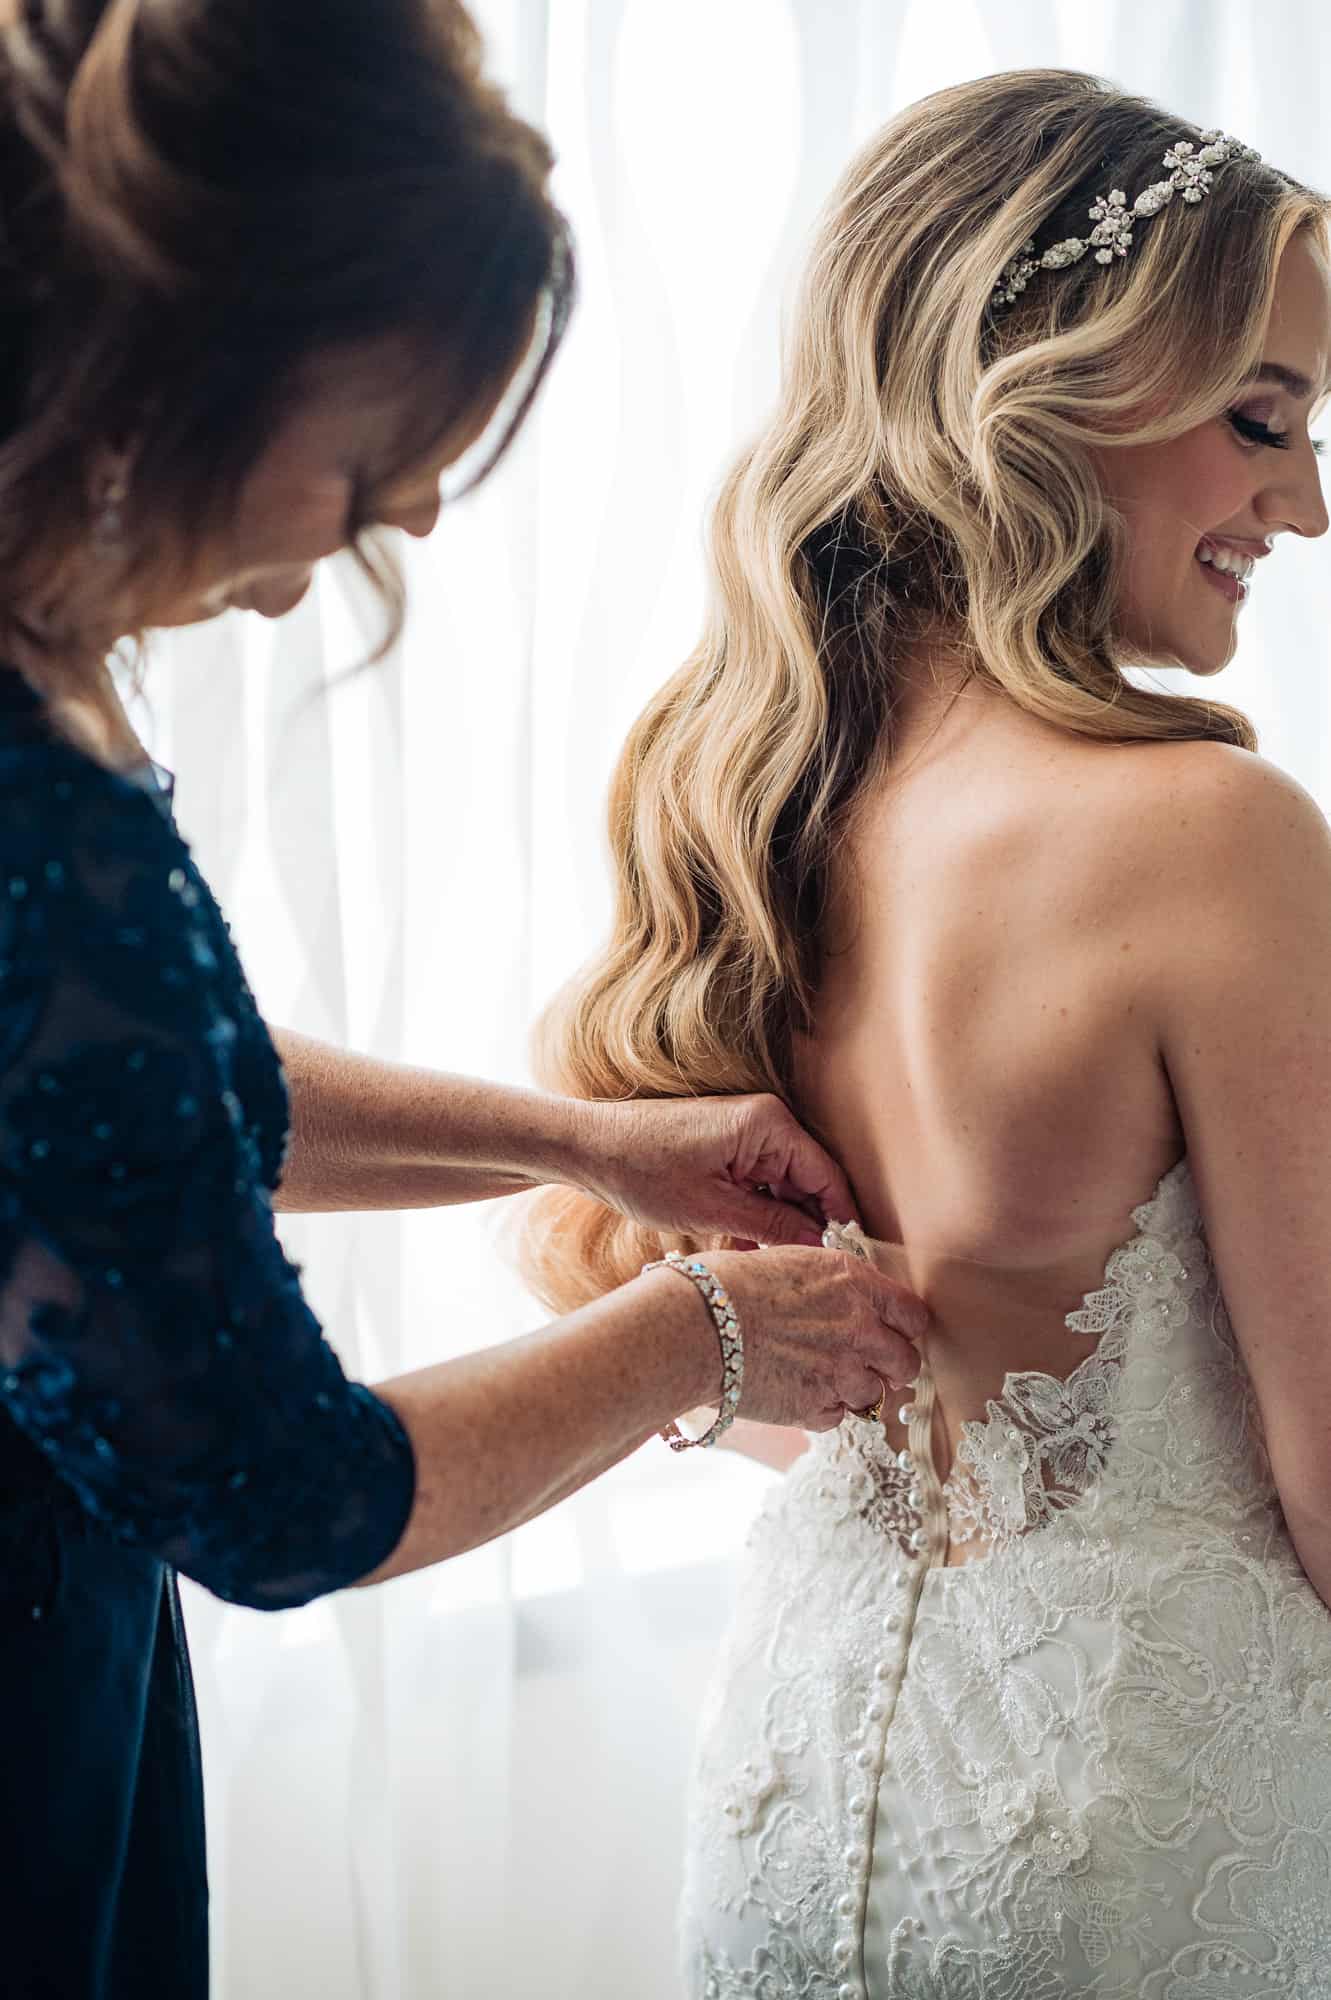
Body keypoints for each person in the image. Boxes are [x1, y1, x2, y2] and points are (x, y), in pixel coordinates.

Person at [0, 4, 933, 1994]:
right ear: (197, 356)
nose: (411, 512)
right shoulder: (27, 828)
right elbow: (287, 1493)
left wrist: (581, 1138)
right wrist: (701, 1337)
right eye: (381, 442)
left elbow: (142, 1109)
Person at [523, 68, 1331, 1997]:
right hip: (1147, 1844)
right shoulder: (1206, 838)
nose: (1302, 502)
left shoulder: (744, 795)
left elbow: (760, 1360)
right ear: (1047, 383)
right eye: (1262, 419)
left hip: (795, 1811)